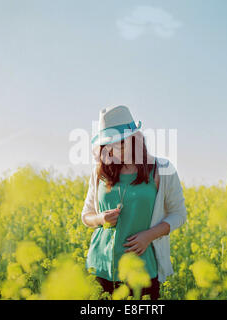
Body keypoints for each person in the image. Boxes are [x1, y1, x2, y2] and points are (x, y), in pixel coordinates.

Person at [81, 105, 187, 299]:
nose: (113, 150)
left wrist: (149, 235)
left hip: (142, 270)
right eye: (108, 144)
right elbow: (86, 216)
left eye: (119, 143)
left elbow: (179, 214)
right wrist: (100, 218)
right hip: (100, 268)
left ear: (135, 139)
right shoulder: (100, 171)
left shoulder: (162, 169)